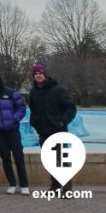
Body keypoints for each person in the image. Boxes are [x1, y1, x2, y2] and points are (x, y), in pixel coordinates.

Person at [28, 63, 77, 192]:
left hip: (58, 130)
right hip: (43, 131)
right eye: (36, 74)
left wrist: (63, 122)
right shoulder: (33, 92)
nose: (38, 76)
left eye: (40, 73)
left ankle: (66, 187)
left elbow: (71, 107)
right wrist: (34, 122)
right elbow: (33, 110)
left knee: (61, 159)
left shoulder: (58, 90)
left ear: (45, 74)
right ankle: (55, 184)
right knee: (50, 159)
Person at [0, 70, 30, 195]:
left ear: (0, 80)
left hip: (13, 129)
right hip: (0, 130)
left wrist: (14, 119)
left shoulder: (11, 92)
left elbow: (21, 108)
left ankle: (24, 184)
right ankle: (12, 184)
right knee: (5, 157)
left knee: (19, 157)